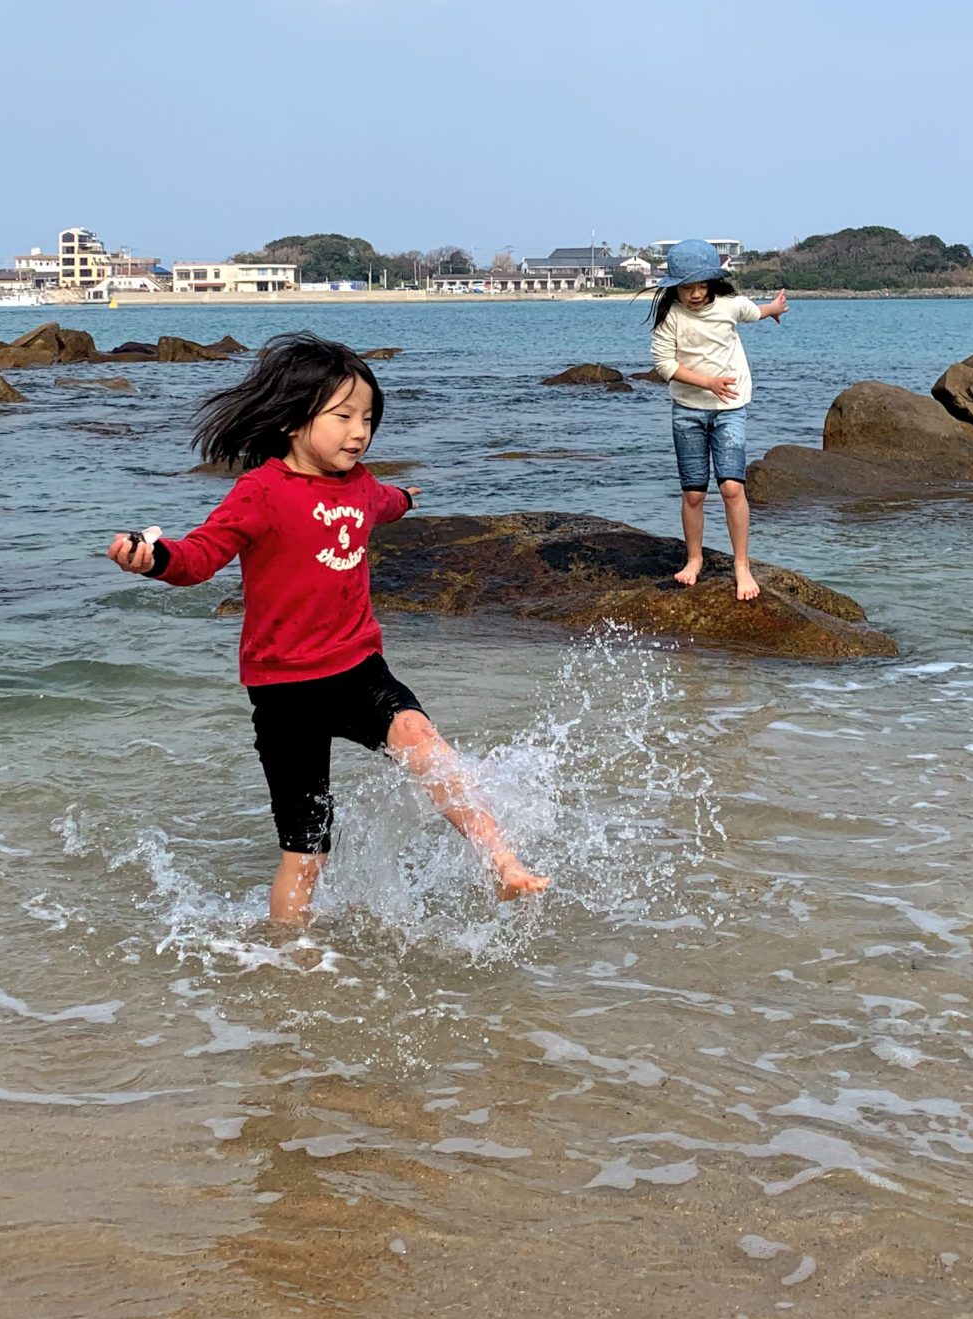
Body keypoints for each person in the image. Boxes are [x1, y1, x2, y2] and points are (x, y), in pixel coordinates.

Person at [108, 332, 547, 927]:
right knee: (306, 851)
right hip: (284, 690)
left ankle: (502, 863)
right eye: (342, 417)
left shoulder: (363, 484)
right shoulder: (259, 493)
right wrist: (155, 559)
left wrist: (408, 501)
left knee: (428, 747)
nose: (359, 432)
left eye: (367, 417)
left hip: (357, 669)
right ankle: (288, 955)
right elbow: (201, 556)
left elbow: (383, 501)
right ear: (293, 420)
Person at [648, 240, 787, 600]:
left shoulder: (729, 306)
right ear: (675, 286)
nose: (694, 294)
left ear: (712, 282)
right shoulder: (671, 317)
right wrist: (707, 382)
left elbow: (752, 312)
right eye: (686, 286)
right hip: (688, 411)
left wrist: (774, 308)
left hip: (730, 409)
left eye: (701, 285)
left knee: (731, 487)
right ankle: (694, 559)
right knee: (694, 492)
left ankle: (742, 566)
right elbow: (665, 366)